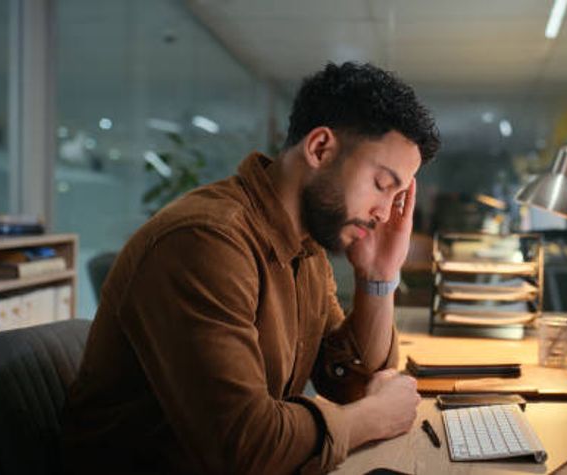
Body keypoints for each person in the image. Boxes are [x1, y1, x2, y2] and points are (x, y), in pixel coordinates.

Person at [61, 62, 441, 474]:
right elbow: (245, 447)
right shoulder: (206, 242)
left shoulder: (305, 245)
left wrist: (379, 278)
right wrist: (374, 417)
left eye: (398, 195)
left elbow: (349, 382)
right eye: (383, 185)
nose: (385, 213)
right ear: (320, 149)